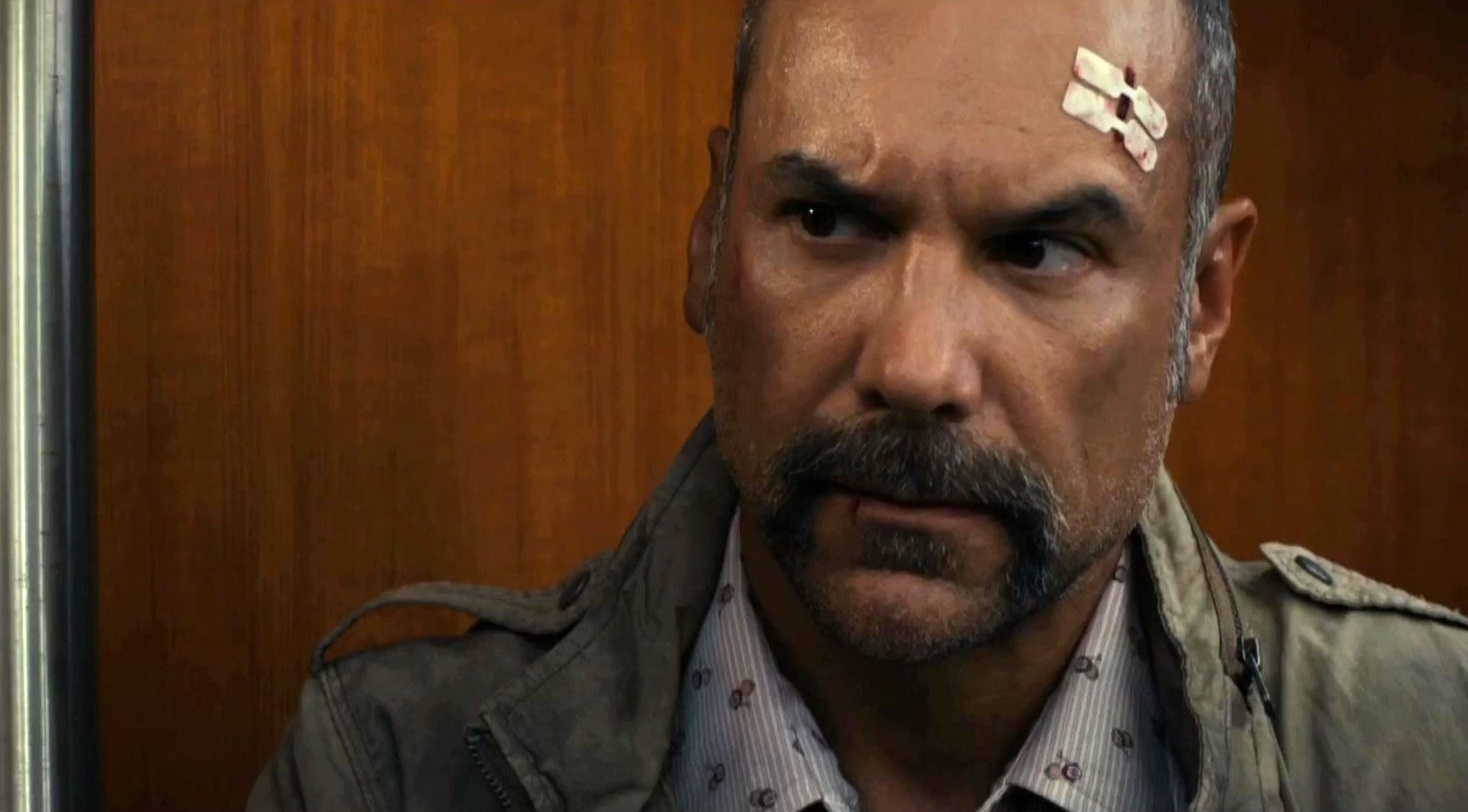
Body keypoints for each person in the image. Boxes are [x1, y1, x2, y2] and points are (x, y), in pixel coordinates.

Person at [249, 0, 1468, 810]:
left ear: (1200, 305)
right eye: (828, 221)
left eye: (1038, 249)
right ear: (709, 239)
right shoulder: (391, 770)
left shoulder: (1431, 749)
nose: (916, 364)